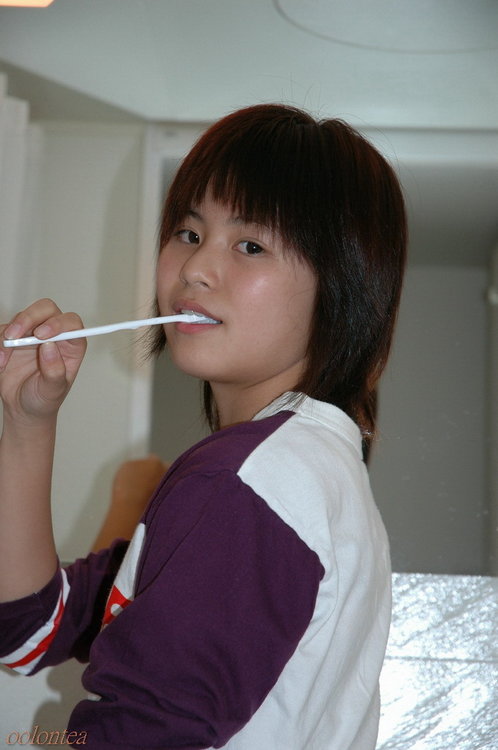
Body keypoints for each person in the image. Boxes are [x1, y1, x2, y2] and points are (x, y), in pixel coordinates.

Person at [0, 104, 407, 749]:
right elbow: (31, 632)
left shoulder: (249, 482)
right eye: (188, 233)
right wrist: (28, 421)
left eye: (251, 246)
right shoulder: (295, 474)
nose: (194, 269)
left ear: (340, 288)